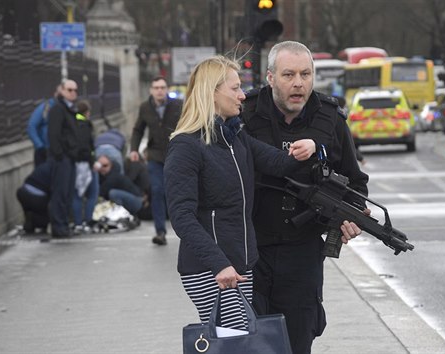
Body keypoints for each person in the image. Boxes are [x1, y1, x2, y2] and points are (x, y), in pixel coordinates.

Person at [164, 56, 318, 332]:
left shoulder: (235, 138)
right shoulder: (186, 146)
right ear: (212, 92)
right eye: (235, 88)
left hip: (239, 264)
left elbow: (279, 163)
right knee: (236, 342)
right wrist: (218, 264)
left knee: (236, 343)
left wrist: (310, 146)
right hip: (211, 268)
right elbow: (182, 217)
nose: (242, 95)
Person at [240, 41, 369, 354]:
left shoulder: (331, 120)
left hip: (303, 253)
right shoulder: (245, 114)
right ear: (270, 78)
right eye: (288, 75)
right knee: (253, 344)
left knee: (299, 341)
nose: (298, 83)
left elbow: (356, 183)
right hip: (252, 252)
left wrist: (349, 217)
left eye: (305, 74)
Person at [130, 76, 182, 245]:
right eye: (156, 88)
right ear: (151, 90)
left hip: (175, 154)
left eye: (162, 87)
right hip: (154, 155)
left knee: (178, 191)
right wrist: (134, 150)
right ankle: (160, 231)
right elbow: (138, 129)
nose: (159, 90)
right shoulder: (145, 107)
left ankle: (185, 230)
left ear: (166, 89)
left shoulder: (178, 105)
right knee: (157, 190)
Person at [47, 79, 81, 238]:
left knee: (67, 193)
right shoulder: (58, 109)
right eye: (69, 90)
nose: (73, 93)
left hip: (70, 157)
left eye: (75, 90)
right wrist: (60, 154)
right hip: (62, 159)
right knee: (60, 193)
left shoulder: (71, 109)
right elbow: (54, 134)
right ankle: (59, 226)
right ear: (61, 90)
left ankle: (64, 225)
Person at [71, 100, 99, 233]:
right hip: (86, 163)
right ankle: (86, 221)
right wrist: (92, 161)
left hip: (74, 162)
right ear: (87, 112)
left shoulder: (72, 122)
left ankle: (77, 223)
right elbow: (86, 147)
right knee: (92, 193)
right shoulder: (85, 125)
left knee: (77, 194)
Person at [16, 159, 53, 234]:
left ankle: (29, 222)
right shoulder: (56, 169)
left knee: (30, 208)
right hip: (38, 198)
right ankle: (36, 222)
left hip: (22, 192)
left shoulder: (43, 165)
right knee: (47, 213)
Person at [27, 86, 59, 167]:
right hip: (46, 151)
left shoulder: (70, 108)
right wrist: (40, 146)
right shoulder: (46, 108)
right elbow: (31, 126)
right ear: (55, 94)